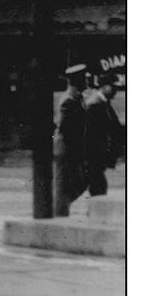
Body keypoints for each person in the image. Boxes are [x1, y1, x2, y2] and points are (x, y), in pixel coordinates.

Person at [82, 74, 123, 199]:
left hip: (98, 157)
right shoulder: (95, 105)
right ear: (104, 87)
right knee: (98, 189)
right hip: (94, 156)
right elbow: (90, 134)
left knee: (99, 188)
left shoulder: (104, 103)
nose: (116, 91)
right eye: (113, 87)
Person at [55, 63, 89, 211]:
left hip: (73, 149)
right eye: (84, 78)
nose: (87, 81)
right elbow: (64, 128)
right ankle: (60, 213)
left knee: (79, 182)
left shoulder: (77, 97)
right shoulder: (69, 100)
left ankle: (62, 208)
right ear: (77, 80)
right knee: (66, 185)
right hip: (68, 149)